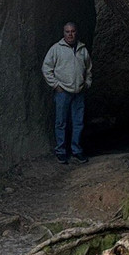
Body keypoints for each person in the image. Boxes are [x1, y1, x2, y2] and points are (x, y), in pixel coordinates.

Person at [42, 21, 92, 164]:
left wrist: (87, 83)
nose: (70, 34)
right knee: (61, 122)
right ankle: (61, 152)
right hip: (63, 92)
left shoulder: (82, 49)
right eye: (67, 32)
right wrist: (56, 85)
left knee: (78, 123)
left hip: (79, 92)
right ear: (63, 33)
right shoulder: (56, 49)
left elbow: (88, 69)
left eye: (73, 31)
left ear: (76, 32)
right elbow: (46, 68)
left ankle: (77, 150)